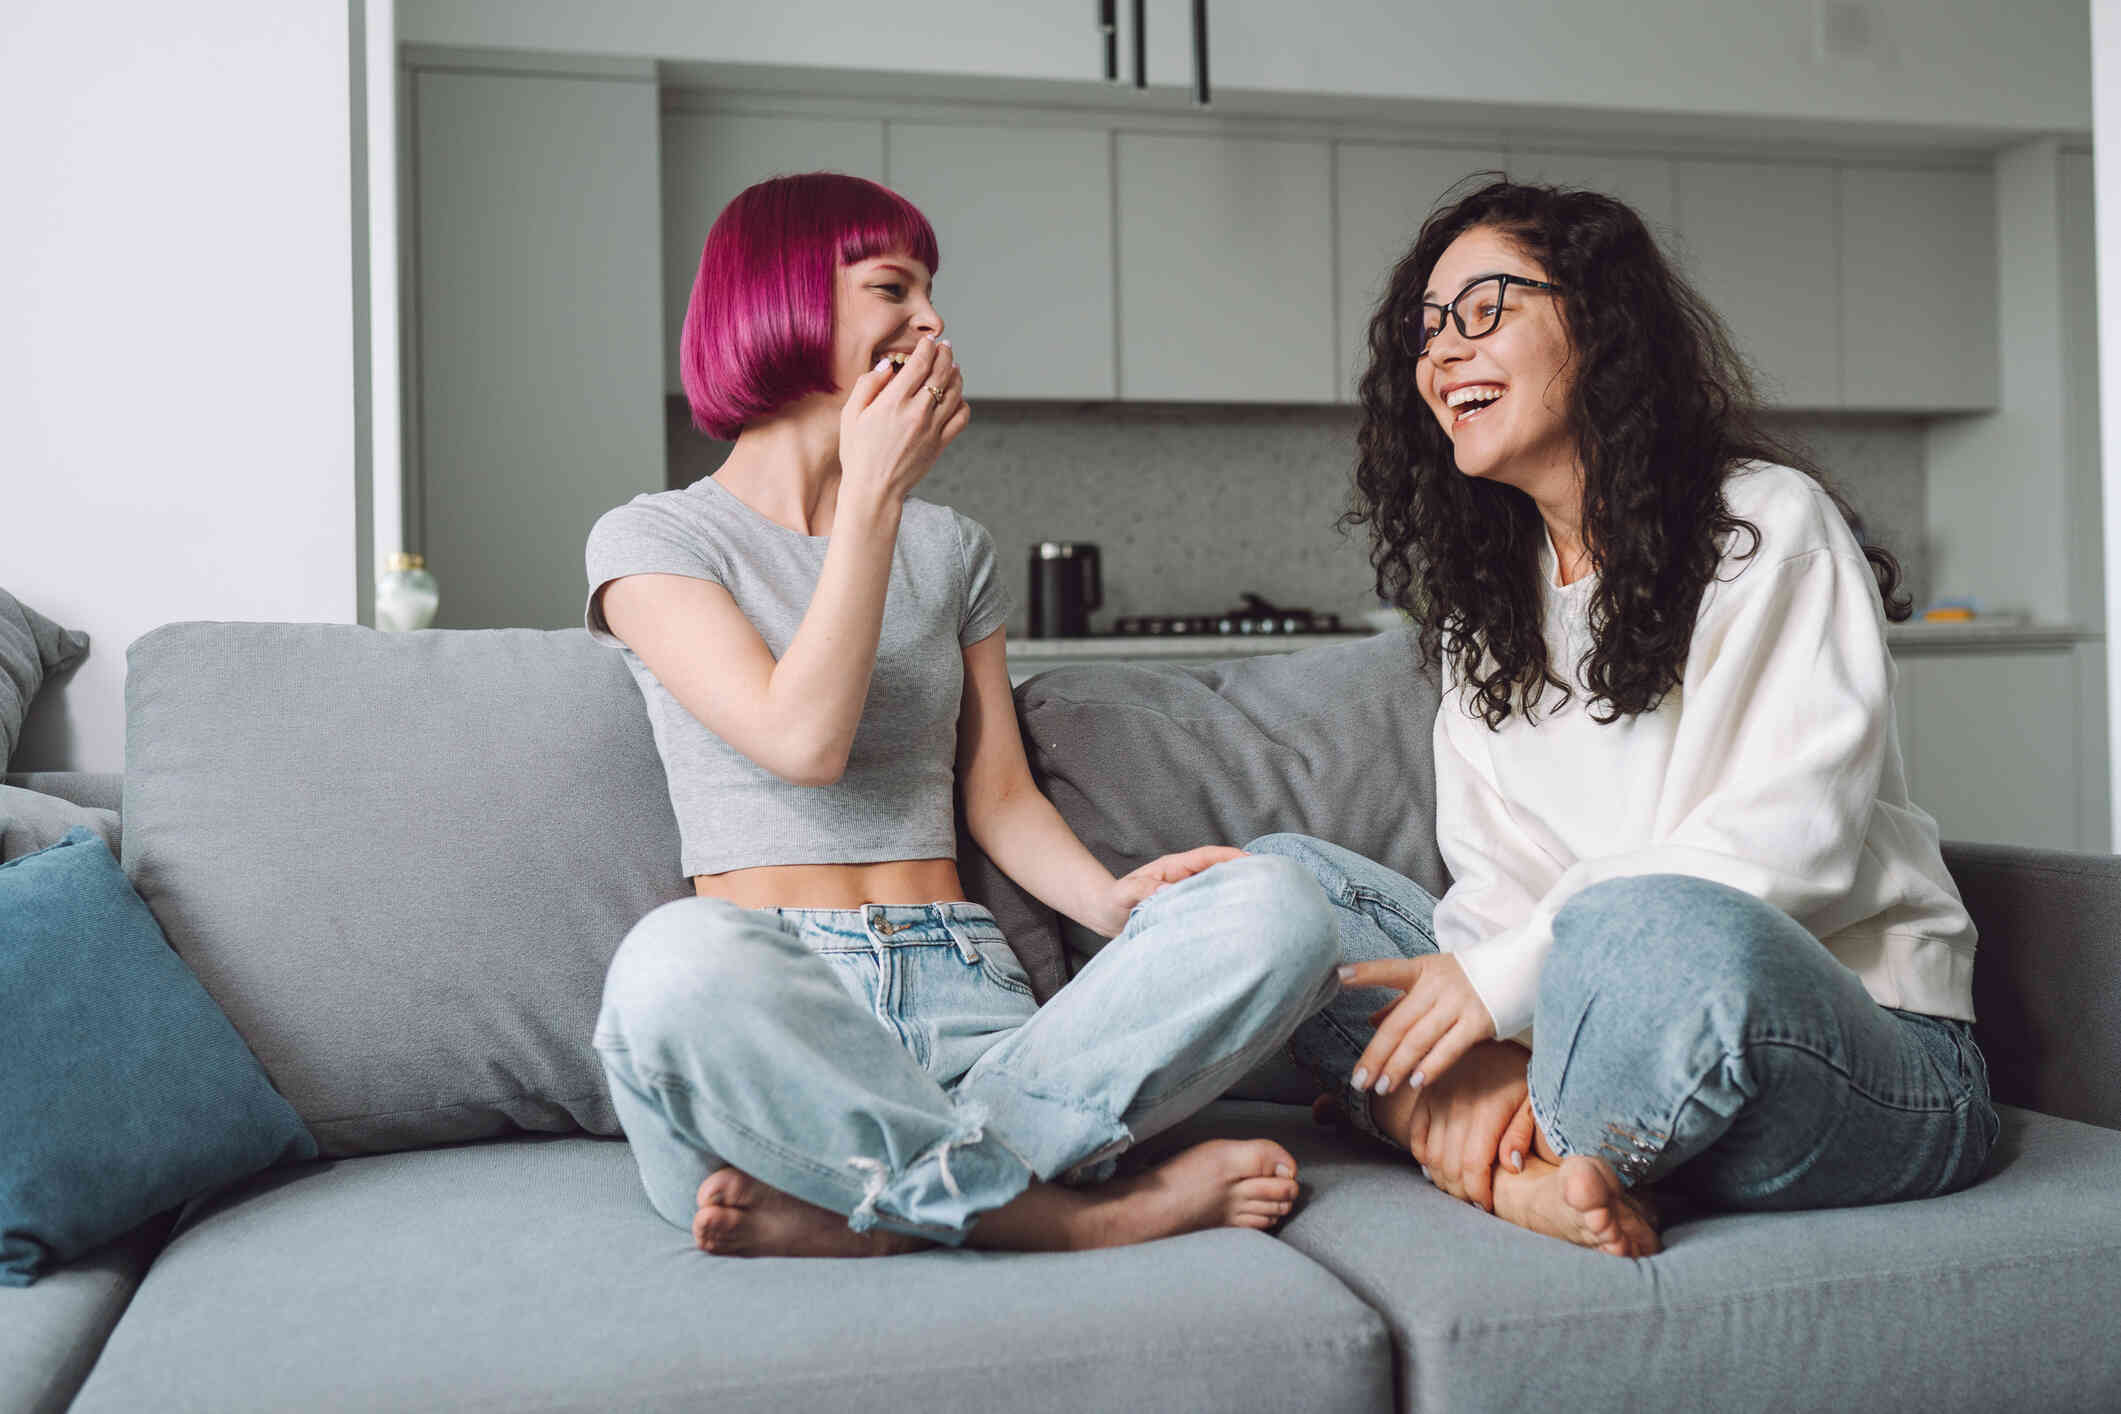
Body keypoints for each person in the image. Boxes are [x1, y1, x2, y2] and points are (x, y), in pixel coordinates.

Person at [583, 172, 1340, 1259]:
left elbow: (995, 792)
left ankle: (888, 1204)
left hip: (968, 998)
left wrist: (1112, 901)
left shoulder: (953, 547)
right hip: (781, 1006)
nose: (932, 320)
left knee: (1280, 905)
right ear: (781, 296)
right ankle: (1078, 1214)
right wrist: (873, 502)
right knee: (670, 965)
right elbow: (802, 738)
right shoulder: (653, 539)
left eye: (933, 293)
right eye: (894, 287)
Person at [1252, 177, 1998, 1257]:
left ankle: (1450, 1129)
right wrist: (1486, 1014)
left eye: (1485, 309)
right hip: (1592, 1025)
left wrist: (1495, 998)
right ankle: (1544, 1157)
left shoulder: (1764, 526)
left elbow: (1790, 851)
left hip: (1851, 1044)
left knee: (1654, 925)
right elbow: (1495, 888)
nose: (1441, 353)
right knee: (1284, 887)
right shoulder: (1483, 610)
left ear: (1597, 326)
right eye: (1425, 329)